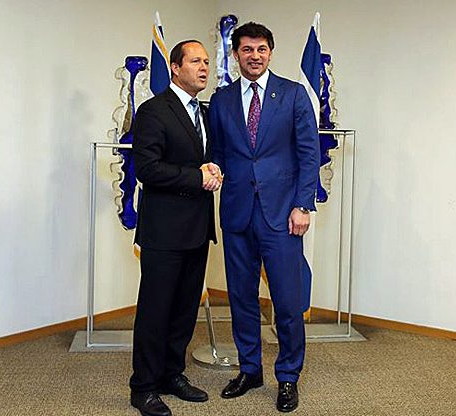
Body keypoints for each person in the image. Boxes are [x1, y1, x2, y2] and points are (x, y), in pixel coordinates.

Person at [209, 22, 320, 413]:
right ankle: (250, 369)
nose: (254, 56)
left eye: (261, 49)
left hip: (283, 215)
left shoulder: (293, 94)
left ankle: (288, 376)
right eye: (246, 49)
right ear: (236, 54)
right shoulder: (221, 100)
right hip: (237, 213)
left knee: (287, 301)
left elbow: (309, 152)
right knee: (241, 298)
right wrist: (211, 171)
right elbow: (218, 152)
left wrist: (303, 205)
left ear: (270, 52)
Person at [129, 40, 221, 416]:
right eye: (195, 61)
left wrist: (212, 169)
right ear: (175, 68)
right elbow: (147, 169)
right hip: (164, 232)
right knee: (156, 312)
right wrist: (196, 177)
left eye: (206, 61)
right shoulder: (154, 111)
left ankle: (172, 375)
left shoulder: (205, 112)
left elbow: (201, 158)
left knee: (184, 311)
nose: (204, 67)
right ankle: (143, 387)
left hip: (197, 229)